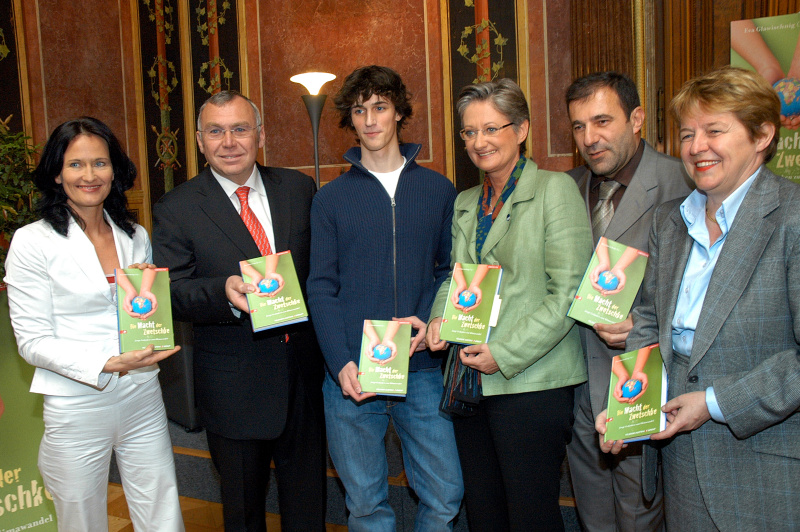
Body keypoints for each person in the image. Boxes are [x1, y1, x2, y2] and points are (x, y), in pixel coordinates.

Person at [597, 66, 800, 530]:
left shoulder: (792, 218)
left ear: (763, 134)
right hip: (681, 462)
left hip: (764, 461)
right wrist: (631, 405)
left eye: (714, 130)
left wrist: (711, 403)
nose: (696, 147)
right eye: (687, 134)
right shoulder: (671, 221)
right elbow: (648, 318)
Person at [152, 90, 326, 532]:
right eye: (215, 131)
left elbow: (322, 274)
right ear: (198, 140)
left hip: (305, 381)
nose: (229, 141)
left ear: (261, 134)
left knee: (308, 509)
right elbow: (171, 292)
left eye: (240, 128)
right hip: (235, 388)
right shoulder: (177, 207)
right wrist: (221, 292)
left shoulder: (300, 188)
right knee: (244, 516)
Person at [427, 78, 592, 531]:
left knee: (530, 515)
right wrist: (440, 316)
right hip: (468, 379)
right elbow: (456, 278)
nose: (479, 142)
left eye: (491, 128)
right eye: (469, 132)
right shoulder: (466, 202)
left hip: (532, 381)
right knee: (484, 512)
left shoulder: (556, 191)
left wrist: (504, 353)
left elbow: (570, 293)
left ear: (520, 130)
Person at [4, 116, 183, 531]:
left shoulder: (133, 234)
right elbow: (32, 342)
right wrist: (108, 362)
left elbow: (140, 313)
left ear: (115, 171)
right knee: (81, 520)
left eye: (100, 163)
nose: (89, 175)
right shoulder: (33, 241)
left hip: (141, 392)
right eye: (76, 164)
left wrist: (148, 304)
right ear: (56, 173)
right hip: (76, 401)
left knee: (162, 507)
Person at [307, 65, 463, 531]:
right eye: (359, 110)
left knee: (445, 494)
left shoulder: (438, 190)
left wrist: (436, 324)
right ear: (350, 121)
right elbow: (321, 286)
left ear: (398, 112)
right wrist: (340, 363)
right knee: (366, 505)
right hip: (352, 377)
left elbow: (447, 272)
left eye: (380, 107)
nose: (370, 119)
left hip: (422, 370)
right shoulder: (330, 199)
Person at [564, 71, 691, 532]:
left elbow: (710, 281)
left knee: (641, 519)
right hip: (580, 385)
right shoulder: (567, 188)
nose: (589, 138)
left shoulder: (684, 179)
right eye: (578, 126)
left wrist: (644, 320)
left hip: (646, 380)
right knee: (594, 519)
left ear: (637, 119)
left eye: (602, 121)